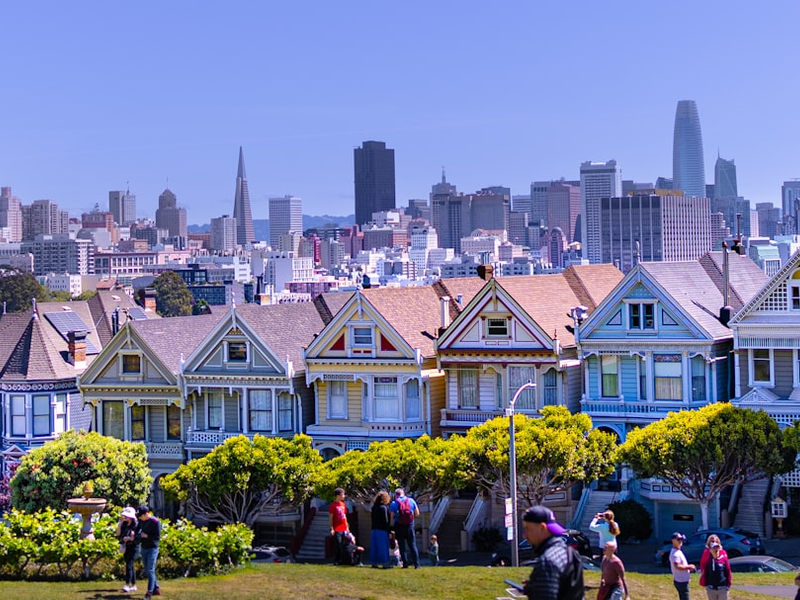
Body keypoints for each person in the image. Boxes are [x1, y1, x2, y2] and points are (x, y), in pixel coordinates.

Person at [521, 505, 585, 600]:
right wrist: (536, 587)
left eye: (528, 529)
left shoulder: (547, 561)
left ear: (542, 527)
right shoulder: (570, 553)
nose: (524, 535)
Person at [389, 487, 420, 569]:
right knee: (412, 545)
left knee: (402, 545)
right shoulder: (411, 501)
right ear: (404, 494)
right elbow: (417, 513)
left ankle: (405, 564)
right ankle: (417, 564)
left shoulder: (394, 503)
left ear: (396, 495)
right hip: (409, 525)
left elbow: (391, 516)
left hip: (399, 525)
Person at [136, 504, 161, 599]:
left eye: (141, 516)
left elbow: (157, 537)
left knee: (150, 570)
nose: (140, 518)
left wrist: (146, 536)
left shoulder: (155, 522)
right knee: (147, 570)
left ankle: (149, 593)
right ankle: (156, 588)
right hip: (144, 547)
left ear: (146, 514)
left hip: (153, 548)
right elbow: (137, 529)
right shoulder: (141, 521)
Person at [117, 506, 139, 593]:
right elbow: (118, 534)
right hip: (126, 547)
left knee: (129, 565)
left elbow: (137, 538)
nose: (125, 517)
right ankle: (133, 585)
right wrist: (120, 524)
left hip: (134, 547)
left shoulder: (136, 525)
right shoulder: (124, 524)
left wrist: (130, 538)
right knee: (130, 565)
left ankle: (127, 584)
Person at [670, 532, 696, 600]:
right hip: (681, 581)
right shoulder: (675, 554)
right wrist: (689, 567)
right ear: (673, 540)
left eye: (681, 539)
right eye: (678, 539)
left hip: (681, 580)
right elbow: (677, 566)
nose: (680, 541)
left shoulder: (678, 551)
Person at [369, 490, 392, 568]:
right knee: (383, 547)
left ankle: (374, 562)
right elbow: (385, 520)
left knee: (374, 547)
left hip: (374, 529)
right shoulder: (383, 508)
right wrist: (388, 530)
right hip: (382, 530)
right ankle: (385, 563)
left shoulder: (374, 507)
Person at [328, 487, 349, 565]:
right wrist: (332, 528)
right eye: (343, 494)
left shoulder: (343, 504)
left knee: (343, 544)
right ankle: (336, 560)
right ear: (338, 495)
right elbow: (331, 517)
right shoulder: (333, 505)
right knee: (338, 544)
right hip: (337, 528)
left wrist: (347, 527)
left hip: (343, 527)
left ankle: (342, 560)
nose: (344, 496)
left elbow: (344, 516)